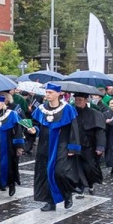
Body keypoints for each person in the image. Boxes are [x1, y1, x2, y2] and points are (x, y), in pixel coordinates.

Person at [28, 83, 81, 211]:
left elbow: (74, 129)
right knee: (45, 173)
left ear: (59, 94)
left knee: (60, 172)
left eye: (50, 92)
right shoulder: (41, 109)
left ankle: (67, 193)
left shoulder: (67, 109)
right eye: (46, 92)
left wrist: (72, 147)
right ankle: (50, 202)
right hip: (44, 145)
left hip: (61, 144)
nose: (47, 95)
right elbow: (35, 124)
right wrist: (33, 130)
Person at [72, 93, 106, 195]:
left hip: (89, 145)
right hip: (74, 144)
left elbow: (100, 131)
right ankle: (80, 186)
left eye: (80, 100)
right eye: (76, 100)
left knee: (90, 167)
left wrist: (100, 146)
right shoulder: (71, 112)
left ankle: (91, 184)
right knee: (76, 166)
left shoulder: (95, 113)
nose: (77, 102)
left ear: (86, 100)